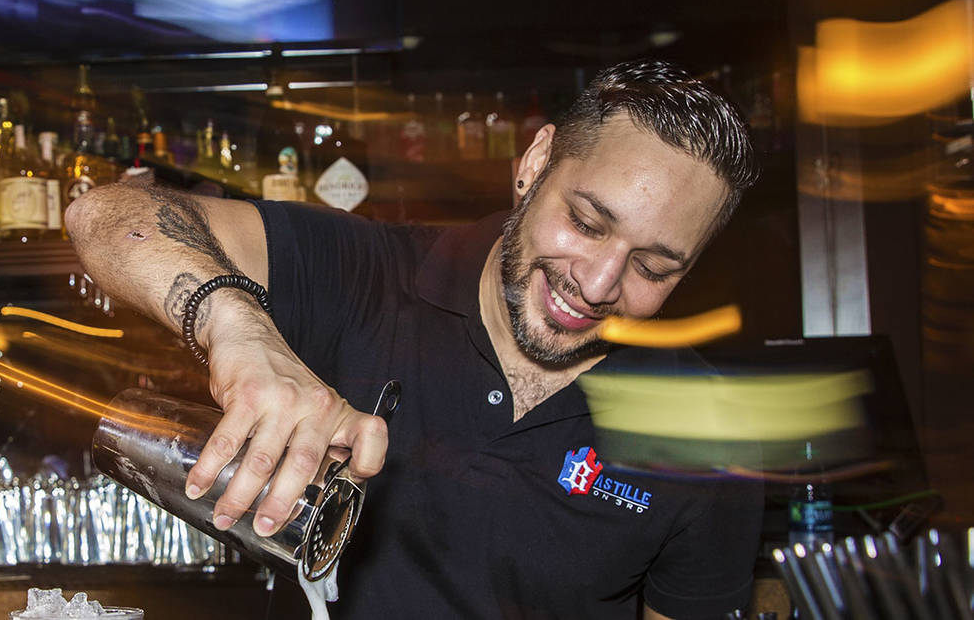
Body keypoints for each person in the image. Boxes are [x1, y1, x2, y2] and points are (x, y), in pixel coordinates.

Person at [66, 60, 763, 619]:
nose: (601, 282)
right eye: (585, 222)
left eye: (653, 268)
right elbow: (107, 217)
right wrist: (242, 333)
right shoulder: (369, 274)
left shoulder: (708, 435)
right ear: (536, 162)